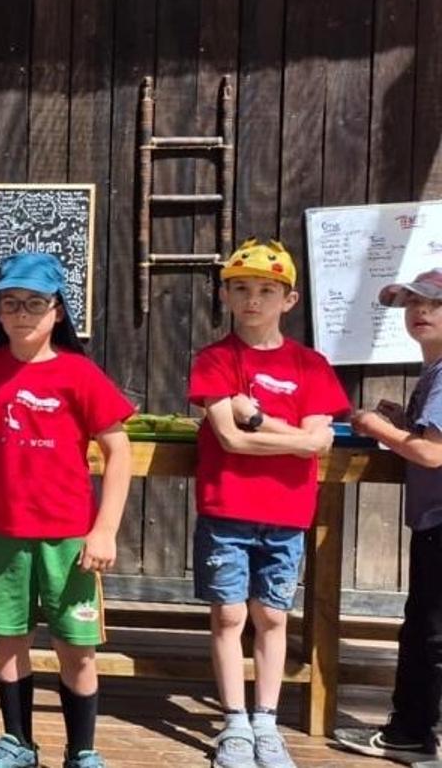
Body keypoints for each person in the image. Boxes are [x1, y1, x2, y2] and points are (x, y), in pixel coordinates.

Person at [0, 252, 134, 768]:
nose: (22, 313)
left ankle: (83, 751)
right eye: (10, 302)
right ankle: (17, 743)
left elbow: (120, 451)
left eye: (35, 303)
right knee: (7, 642)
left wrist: (105, 529)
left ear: (58, 311)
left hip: (70, 538)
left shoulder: (80, 374)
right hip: (4, 532)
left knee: (77, 647)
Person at [188, 239, 345, 768]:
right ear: (226, 294)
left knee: (273, 617)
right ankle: (234, 721)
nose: (253, 300)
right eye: (241, 289)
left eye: (266, 290)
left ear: (289, 299)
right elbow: (229, 441)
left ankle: (266, 721)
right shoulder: (215, 360)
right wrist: (295, 440)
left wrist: (256, 420)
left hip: (286, 513)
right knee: (229, 614)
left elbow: (319, 440)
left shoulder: (312, 365)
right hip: (227, 506)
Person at [332, 268, 442, 765]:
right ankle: (409, 733)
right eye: (412, 303)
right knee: (420, 630)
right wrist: (403, 425)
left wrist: (380, 427)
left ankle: (424, 734)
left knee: (434, 635)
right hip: (431, 522)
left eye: (435, 305)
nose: (421, 312)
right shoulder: (433, 373)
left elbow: (433, 455)